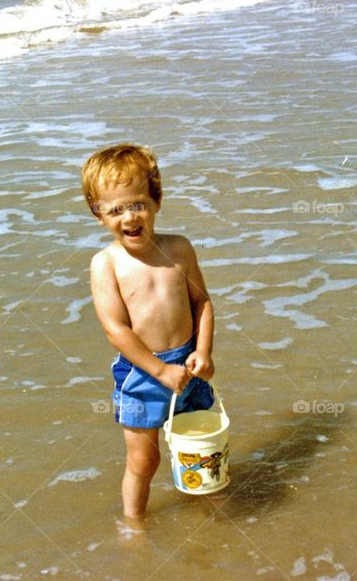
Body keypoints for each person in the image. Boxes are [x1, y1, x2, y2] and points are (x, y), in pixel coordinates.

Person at [82, 143, 216, 518]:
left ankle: (208, 512)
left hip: (188, 364)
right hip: (142, 373)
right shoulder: (105, 264)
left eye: (137, 203)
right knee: (144, 462)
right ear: (98, 215)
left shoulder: (180, 249)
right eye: (115, 209)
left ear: (156, 200)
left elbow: (201, 303)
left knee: (199, 449)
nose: (129, 217)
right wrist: (158, 370)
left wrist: (203, 352)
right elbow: (116, 329)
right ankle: (134, 523)